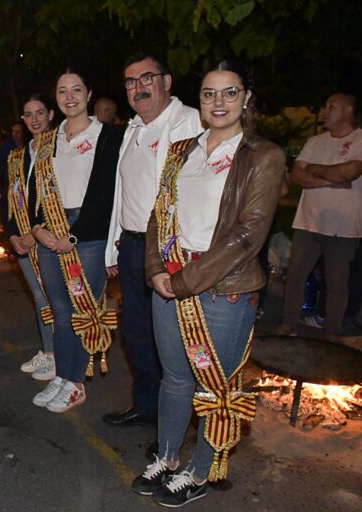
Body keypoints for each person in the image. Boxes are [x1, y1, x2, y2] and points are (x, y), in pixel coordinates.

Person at [133, 60, 285, 508]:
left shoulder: (264, 155)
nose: (218, 102)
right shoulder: (182, 150)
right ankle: (166, 456)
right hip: (171, 282)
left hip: (223, 290)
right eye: (209, 94)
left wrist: (183, 282)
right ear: (198, 102)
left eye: (229, 92)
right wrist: (156, 270)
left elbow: (248, 234)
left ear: (247, 98)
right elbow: (160, 215)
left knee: (214, 386)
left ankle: (200, 470)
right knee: (175, 379)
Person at [103, 53, 203, 427]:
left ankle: (174, 421)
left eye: (147, 78)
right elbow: (122, 191)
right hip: (131, 246)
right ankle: (146, 404)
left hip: (166, 249)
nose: (139, 87)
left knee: (171, 340)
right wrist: (115, 242)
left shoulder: (189, 122)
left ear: (167, 81)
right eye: (131, 82)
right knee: (137, 333)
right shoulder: (133, 129)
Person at [29, 68, 122, 413]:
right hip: (51, 233)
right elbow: (37, 189)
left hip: (87, 235)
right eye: (62, 91)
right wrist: (39, 228)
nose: (70, 97)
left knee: (84, 310)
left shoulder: (108, 137)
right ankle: (63, 373)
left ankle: (76, 383)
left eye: (76, 90)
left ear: (89, 93)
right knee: (60, 310)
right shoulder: (48, 141)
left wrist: (74, 234)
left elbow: (105, 193)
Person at [275, 92, 362, 341]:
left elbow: (351, 171)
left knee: (336, 283)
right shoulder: (315, 141)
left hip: (344, 227)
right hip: (308, 222)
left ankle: (333, 333)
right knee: (295, 275)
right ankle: (287, 323)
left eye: (330, 107)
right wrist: (331, 181)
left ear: (347, 110)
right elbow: (297, 176)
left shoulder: (359, 140)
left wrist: (315, 169)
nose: (324, 111)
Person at [6, 93, 56, 380]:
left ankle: (62, 357)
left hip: (48, 236)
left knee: (56, 299)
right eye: (28, 114)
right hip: (23, 239)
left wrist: (35, 234)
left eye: (40, 113)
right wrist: (13, 234)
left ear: (50, 114)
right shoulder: (18, 157)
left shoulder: (60, 149)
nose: (35, 119)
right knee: (40, 298)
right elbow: (9, 202)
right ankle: (49, 353)